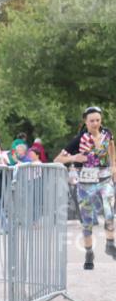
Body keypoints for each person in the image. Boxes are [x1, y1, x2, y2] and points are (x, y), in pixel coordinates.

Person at [54, 106, 115, 269]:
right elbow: (57, 159)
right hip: (86, 184)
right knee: (87, 222)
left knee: (110, 213)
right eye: (92, 121)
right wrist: (74, 157)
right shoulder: (79, 140)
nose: (95, 123)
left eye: (98, 120)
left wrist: (114, 166)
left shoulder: (107, 133)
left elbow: (111, 147)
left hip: (105, 180)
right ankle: (89, 253)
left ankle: (110, 244)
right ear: (86, 122)